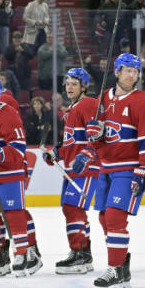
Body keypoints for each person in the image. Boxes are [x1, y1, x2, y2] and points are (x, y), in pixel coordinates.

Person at [83, 53, 145, 288]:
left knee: (116, 218)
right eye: (128, 70)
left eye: (136, 71)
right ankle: (122, 268)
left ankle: (115, 270)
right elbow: (98, 138)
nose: (132, 75)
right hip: (106, 168)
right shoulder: (103, 98)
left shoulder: (143, 100)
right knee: (104, 218)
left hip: (128, 169)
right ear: (116, 71)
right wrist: (92, 140)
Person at [0, 77, 38, 278]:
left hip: (9, 174)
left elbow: (18, 150)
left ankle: (22, 254)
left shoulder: (8, 115)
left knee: (13, 214)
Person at [45, 67, 99, 274]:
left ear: (84, 86)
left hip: (85, 167)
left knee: (72, 207)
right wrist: (56, 154)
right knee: (71, 208)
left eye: (74, 83)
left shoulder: (88, 104)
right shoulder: (72, 109)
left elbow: (96, 137)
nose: (69, 87)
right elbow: (72, 143)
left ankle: (79, 253)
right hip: (72, 168)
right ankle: (83, 253)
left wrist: (87, 154)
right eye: (67, 83)